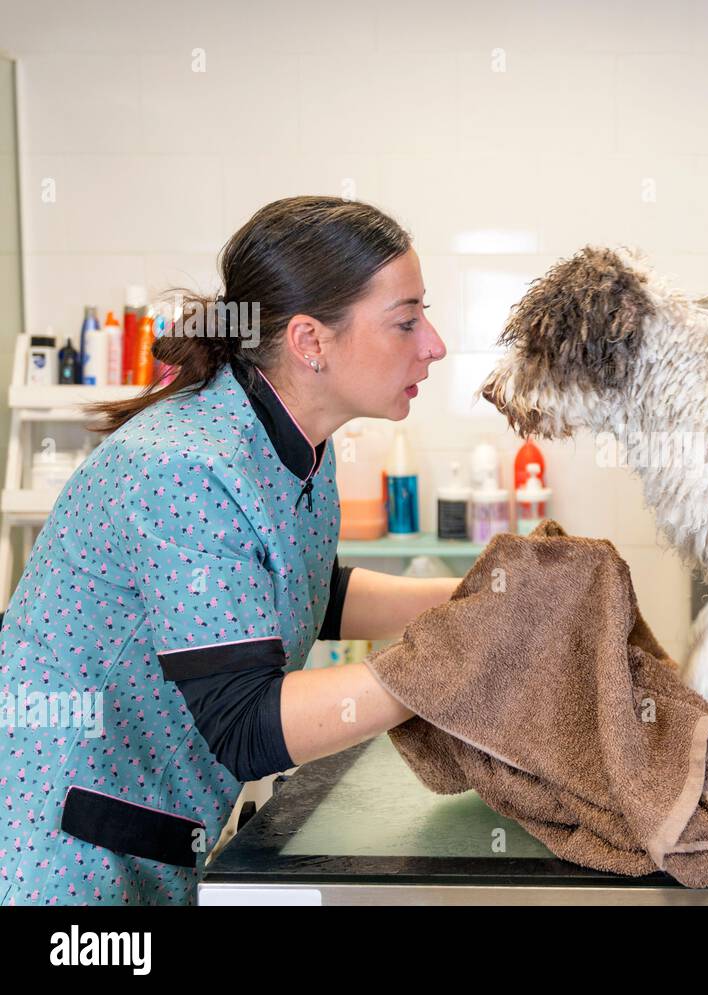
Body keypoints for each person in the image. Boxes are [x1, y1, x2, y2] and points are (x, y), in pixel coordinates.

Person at [0, 195, 455, 904]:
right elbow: (247, 723)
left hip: (147, 830)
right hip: (53, 853)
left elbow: (305, 588)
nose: (433, 342)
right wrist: (452, 662)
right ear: (310, 341)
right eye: (406, 320)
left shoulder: (298, 437)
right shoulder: (185, 464)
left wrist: (472, 598)